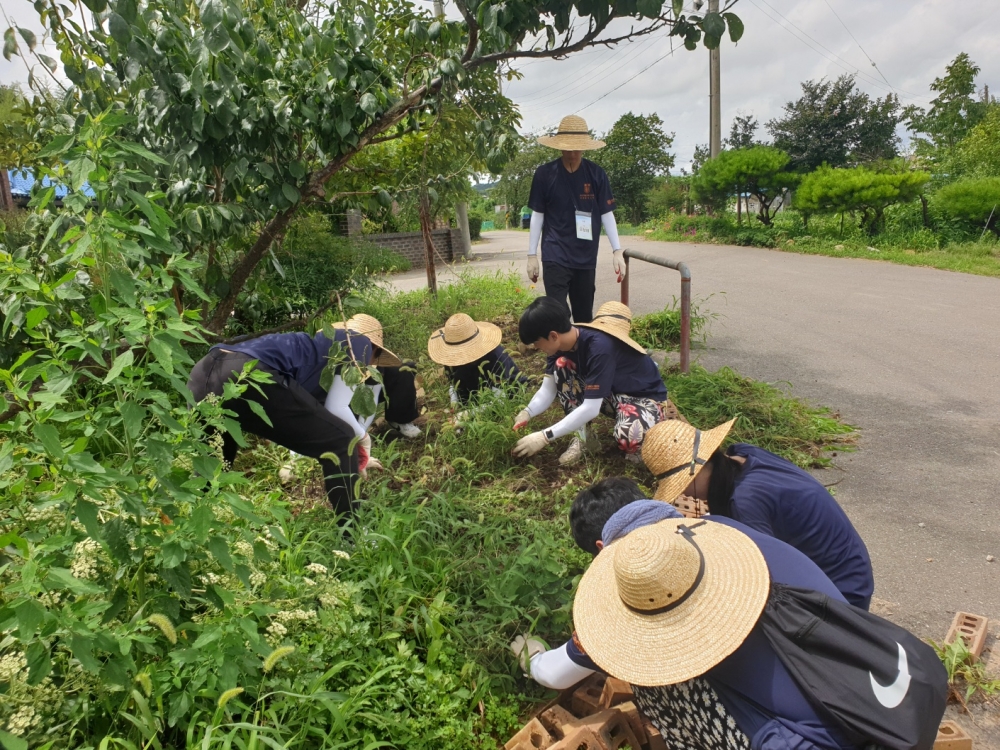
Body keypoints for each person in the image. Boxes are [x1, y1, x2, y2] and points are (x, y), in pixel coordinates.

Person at [642, 418, 874, 610]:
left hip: (842, 591)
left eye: (684, 483)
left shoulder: (745, 503)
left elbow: (761, 578)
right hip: (852, 565)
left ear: (700, 469)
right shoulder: (743, 454)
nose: (684, 493)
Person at [187, 314, 401, 521]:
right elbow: (337, 409)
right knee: (342, 441)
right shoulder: (359, 342)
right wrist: (364, 439)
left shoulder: (316, 352)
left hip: (204, 372)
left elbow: (317, 419)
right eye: (375, 358)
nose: (370, 365)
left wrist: (357, 458)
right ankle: (352, 536)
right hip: (249, 372)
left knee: (213, 468)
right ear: (373, 347)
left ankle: (196, 533)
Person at [512, 298, 667, 466]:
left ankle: (644, 445)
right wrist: (527, 412)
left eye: (536, 342)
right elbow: (548, 389)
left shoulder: (599, 347)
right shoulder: (559, 347)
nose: (535, 347)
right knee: (562, 365)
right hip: (610, 394)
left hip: (643, 398)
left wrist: (545, 436)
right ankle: (584, 438)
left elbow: (591, 408)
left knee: (628, 436)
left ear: (553, 336)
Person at [526, 115, 626, 323]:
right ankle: (561, 355)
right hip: (555, 253)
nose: (572, 154)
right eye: (568, 148)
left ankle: (581, 354)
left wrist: (617, 250)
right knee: (557, 313)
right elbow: (538, 215)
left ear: (584, 148)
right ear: (559, 147)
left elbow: (607, 213)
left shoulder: (596, 174)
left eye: (577, 148)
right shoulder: (545, 174)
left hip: (585, 255)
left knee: (583, 316)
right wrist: (531, 255)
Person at [426, 313, 528, 415]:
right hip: (475, 392)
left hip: (505, 392)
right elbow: (453, 385)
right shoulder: (450, 358)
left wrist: (467, 414)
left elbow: (500, 402)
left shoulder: (496, 358)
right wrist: (455, 404)